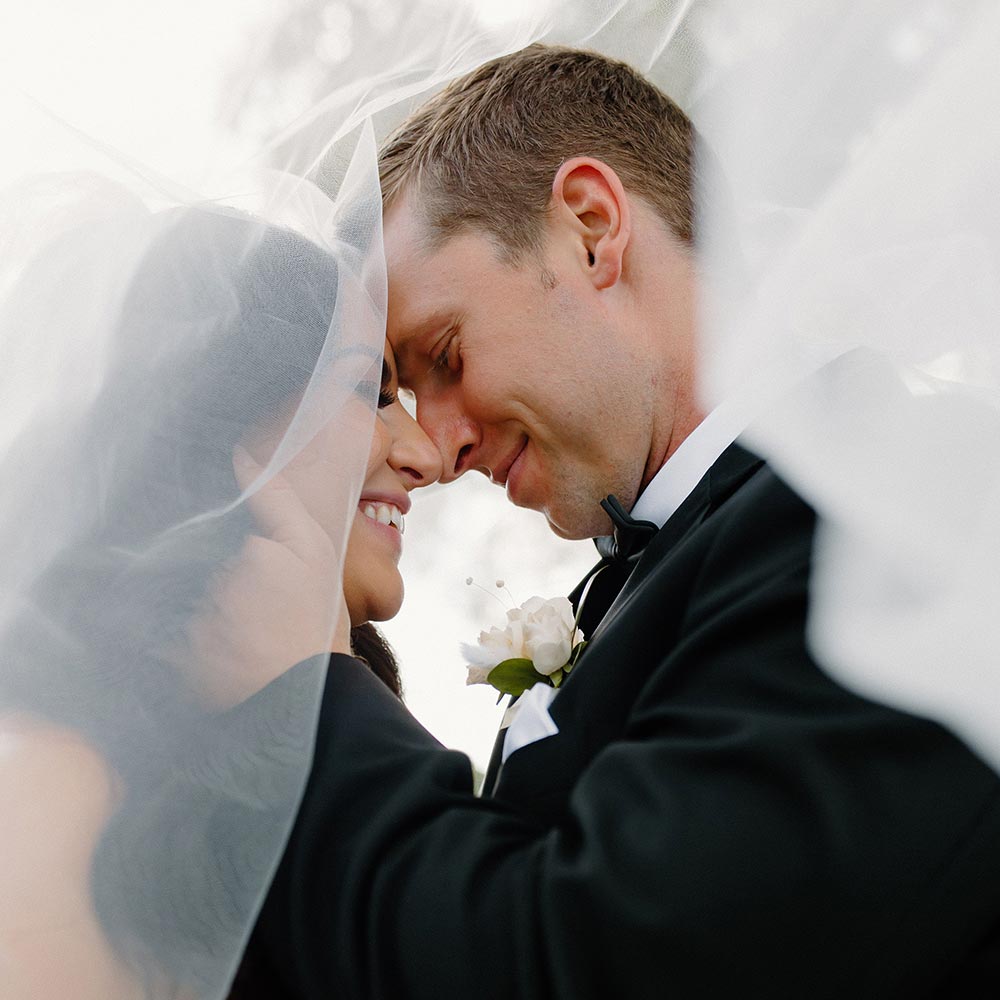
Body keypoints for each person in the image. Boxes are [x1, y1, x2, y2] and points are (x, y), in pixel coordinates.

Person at [242, 44, 1000, 998]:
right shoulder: (684, 560)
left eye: (444, 352)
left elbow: (596, 963)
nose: (434, 450)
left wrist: (307, 684)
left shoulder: (898, 505)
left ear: (592, 228)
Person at [0, 194, 440, 998]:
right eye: (365, 391)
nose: (425, 453)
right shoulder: (51, 781)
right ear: (216, 413)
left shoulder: (317, 730)